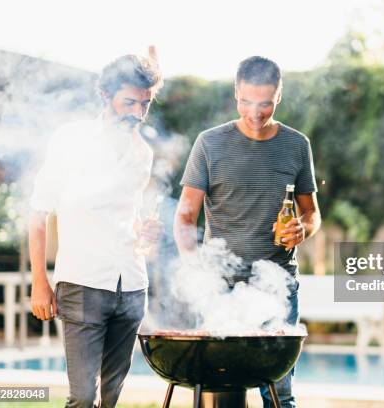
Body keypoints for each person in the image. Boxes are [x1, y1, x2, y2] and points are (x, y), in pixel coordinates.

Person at [174, 55, 321, 408]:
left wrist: (303, 230)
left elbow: (312, 214)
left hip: (277, 285)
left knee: (280, 394)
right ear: (236, 94)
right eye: (247, 102)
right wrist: (196, 269)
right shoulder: (210, 143)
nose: (255, 112)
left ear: (279, 96)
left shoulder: (297, 144)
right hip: (220, 286)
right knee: (215, 390)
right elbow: (184, 217)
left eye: (265, 103)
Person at [29, 47, 163, 408]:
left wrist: (143, 233)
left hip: (132, 285)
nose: (137, 113)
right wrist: (40, 282)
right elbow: (38, 214)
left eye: (145, 104)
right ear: (106, 95)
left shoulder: (142, 154)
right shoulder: (70, 140)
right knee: (83, 396)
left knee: (111, 396)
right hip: (83, 285)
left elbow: (127, 219)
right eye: (129, 102)